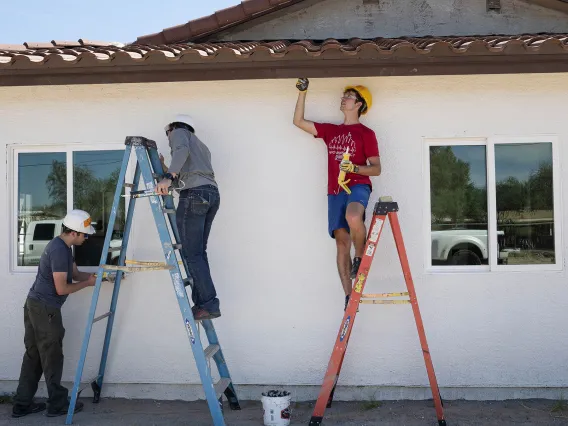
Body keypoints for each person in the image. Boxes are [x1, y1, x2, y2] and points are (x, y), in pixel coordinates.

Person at [293, 78, 381, 310]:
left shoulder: (366, 133)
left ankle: (359, 256)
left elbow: (377, 168)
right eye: (344, 96)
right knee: (341, 243)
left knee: (354, 217)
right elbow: (298, 121)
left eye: (349, 96)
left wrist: (354, 168)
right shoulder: (332, 131)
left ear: (359, 105)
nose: (343, 99)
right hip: (335, 191)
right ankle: (348, 296)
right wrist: (303, 92)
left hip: (357, 185)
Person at [12, 210, 96, 418]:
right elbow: (62, 289)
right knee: (52, 357)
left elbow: (75, 274)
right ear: (74, 232)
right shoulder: (59, 250)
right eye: (85, 234)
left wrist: (100, 276)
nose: (86, 238)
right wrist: (88, 284)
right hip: (45, 309)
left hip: (35, 305)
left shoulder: (64, 248)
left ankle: (22, 405)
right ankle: (57, 405)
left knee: (34, 356)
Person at [157, 114, 221, 320]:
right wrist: (167, 169)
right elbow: (184, 179)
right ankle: (203, 303)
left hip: (194, 196)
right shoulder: (201, 147)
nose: (169, 139)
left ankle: (209, 304)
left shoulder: (179, 133)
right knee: (198, 253)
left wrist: (167, 176)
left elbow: (180, 152)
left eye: (168, 134)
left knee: (192, 254)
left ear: (172, 129)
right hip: (210, 195)